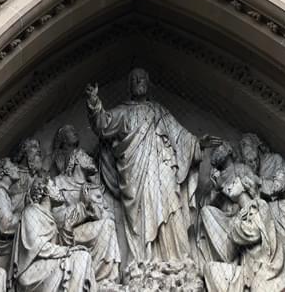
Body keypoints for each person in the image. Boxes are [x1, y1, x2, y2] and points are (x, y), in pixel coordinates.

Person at [86, 68, 214, 262]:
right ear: (130, 86)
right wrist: (94, 102)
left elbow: (179, 135)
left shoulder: (159, 111)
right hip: (135, 172)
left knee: (171, 202)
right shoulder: (123, 112)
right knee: (142, 212)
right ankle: (143, 260)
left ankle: (175, 259)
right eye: (135, 79)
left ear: (148, 83)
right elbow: (102, 124)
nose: (139, 81)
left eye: (142, 78)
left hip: (162, 165)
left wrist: (197, 143)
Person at [49, 125, 120, 283]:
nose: (90, 159)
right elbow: (57, 218)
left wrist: (98, 211)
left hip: (92, 230)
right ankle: (98, 279)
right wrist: (83, 208)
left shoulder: (92, 186)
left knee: (108, 223)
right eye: (85, 157)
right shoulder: (59, 183)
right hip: (71, 235)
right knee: (106, 225)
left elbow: (108, 212)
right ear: (75, 160)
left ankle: (106, 279)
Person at [12, 175, 95, 292]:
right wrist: (66, 251)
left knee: (82, 256)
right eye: (54, 186)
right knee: (81, 256)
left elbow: (59, 250)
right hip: (31, 274)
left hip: (47, 267)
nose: (59, 189)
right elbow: (36, 246)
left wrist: (67, 229)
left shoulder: (51, 220)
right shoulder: (31, 212)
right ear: (45, 191)